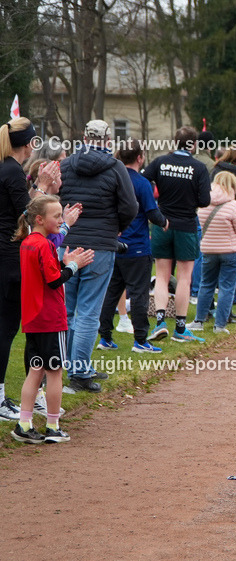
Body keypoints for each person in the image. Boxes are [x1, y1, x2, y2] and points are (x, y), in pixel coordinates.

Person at [59, 119, 139, 392]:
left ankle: (65, 369)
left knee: (67, 310)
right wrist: (117, 228)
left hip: (67, 244)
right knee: (88, 312)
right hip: (100, 246)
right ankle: (79, 372)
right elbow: (130, 206)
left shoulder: (66, 164)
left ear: (83, 136)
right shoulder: (115, 167)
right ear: (107, 140)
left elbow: (56, 201)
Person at [11, 195, 93, 443]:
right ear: (39, 219)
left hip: (34, 319)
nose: (61, 220)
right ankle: (53, 426)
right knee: (55, 372)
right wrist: (75, 265)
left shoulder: (28, 242)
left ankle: (24, 425)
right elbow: (54, 280)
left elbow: (45, 272)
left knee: (35, 371)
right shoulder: (43, 244)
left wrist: (63, 262)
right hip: (51, 318)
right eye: (56, 216)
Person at [1, 117, 63, 419]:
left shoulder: (7, 168)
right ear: (29, 144)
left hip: (8, 257)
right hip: (10, 259)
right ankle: (3, 398)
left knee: (11, 327)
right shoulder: (11, 170)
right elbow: (27, 217)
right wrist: (41, 186)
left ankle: (27, 395)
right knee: (8, 328)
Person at [143, 126, 212, 343]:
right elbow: (204, 201)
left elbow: (143, 181)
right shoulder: (199, 167)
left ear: (175, 142)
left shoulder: (160, 162)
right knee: (184, 278)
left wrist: (154, 205)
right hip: (186, 226)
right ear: (193, 144)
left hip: (162, 223)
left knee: (162, 277)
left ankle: (160, 322)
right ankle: (180, 328)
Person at [97, 140, 166, 353]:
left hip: (113, 244)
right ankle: (141, 340)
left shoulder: (112, 179)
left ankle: (105, 337)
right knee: (138, 294)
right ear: (140, 157)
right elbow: (152, 212)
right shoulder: (142, 183)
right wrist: (164, 222)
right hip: (136, 246)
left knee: (111, 292)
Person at [187, 171, 236, 333]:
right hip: (231, 251)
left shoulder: (204, 203)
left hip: (208, 249)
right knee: (226, 287)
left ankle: (198, 321)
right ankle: (220, 325)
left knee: (206, 285)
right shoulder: (235, 206)